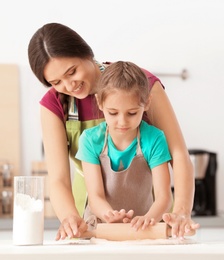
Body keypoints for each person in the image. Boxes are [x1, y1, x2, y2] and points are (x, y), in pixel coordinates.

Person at [27, 23, 199, 240]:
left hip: (151, 220)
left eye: (72, 72)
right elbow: (59, 179)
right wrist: (70, 218)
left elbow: (180, 156)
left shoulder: (140, 84)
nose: (69, 86)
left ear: (87, 53)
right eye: (56, 82)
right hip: (94, 222)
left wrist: (181, 212)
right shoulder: (54, 104)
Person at [76, 61, 172, 230]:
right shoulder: (90, 140)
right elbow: (95, 196)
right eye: (113, 113)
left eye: (132, 113)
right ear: (99, 102)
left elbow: (164, 197)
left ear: (147, 103)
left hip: (142, 229)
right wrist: (110, 216)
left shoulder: (154, 139)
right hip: (101, 227)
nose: (122, 121)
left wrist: (149, 219)